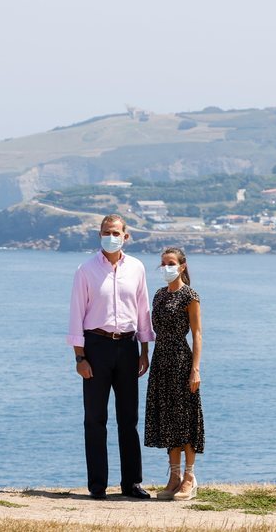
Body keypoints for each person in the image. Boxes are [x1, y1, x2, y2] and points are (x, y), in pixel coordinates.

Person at [67, 214, 155, 500]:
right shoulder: (86, 270)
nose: (111, 236)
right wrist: (80, 358)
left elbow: (143, 311)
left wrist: (144, 350)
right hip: (96, 346)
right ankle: (97, 486)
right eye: (106, 232)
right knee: (95, 418)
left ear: (126, 236)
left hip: (128, 347)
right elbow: (76, 315)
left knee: (128, 418)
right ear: (100, 234)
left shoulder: (137, 269)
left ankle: (131, 483)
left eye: (116, 232)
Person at [144, 246, 204, 501]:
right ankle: (174, 476)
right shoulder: (158, 295)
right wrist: (144, 354)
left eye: (171, 263)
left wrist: (195, 370)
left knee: (185, 417)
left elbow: (197, 334)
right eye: (163, 263)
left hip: (181, 359)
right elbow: (148, 327)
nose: (166, 267)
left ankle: (190, 477)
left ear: (182, 266)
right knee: (168, 417)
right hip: (161, 361)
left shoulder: (190, 295)